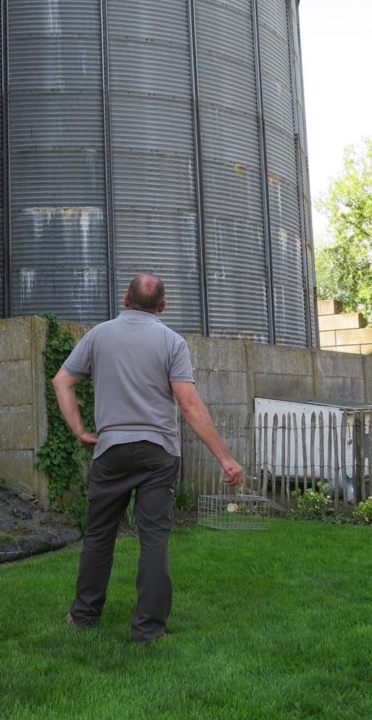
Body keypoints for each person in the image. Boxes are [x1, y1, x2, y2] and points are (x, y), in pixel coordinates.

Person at [52, 272, 244, 643]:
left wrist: (80, 431)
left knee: (99, 536)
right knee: (154, 539)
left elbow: (62, 381)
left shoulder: (97, 335)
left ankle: (83, 616)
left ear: (125, 301)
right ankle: (148, 630)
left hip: (111, 451)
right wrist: (225, 459)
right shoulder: (172, 341)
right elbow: (188, 404)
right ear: (162, 307)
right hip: (159, 453)